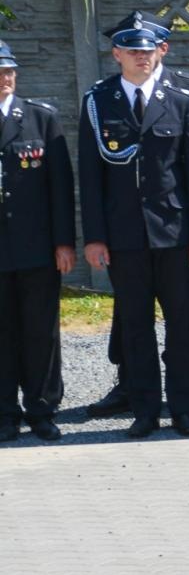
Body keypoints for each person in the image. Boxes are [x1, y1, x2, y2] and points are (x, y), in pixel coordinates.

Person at [78, 21, 189, 439]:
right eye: (131, 50)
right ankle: (144, 411)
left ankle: (183, 409)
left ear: (162, 51)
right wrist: (96, 237)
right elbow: (90, 174)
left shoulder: (181, 99)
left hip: (176, 235)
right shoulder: (99, 101)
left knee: (183, 325)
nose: (141, 56)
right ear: (116, 54)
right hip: (124, 238)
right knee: (136, 326)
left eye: (148, 49)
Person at [0, 42, 74, 443]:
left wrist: (64, 243)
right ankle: (5, 414)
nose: (5, 78)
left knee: (40, 332)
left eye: (9, 70)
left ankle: (42, 409)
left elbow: (60, 188)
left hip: (36, 246)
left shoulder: (39, 119)